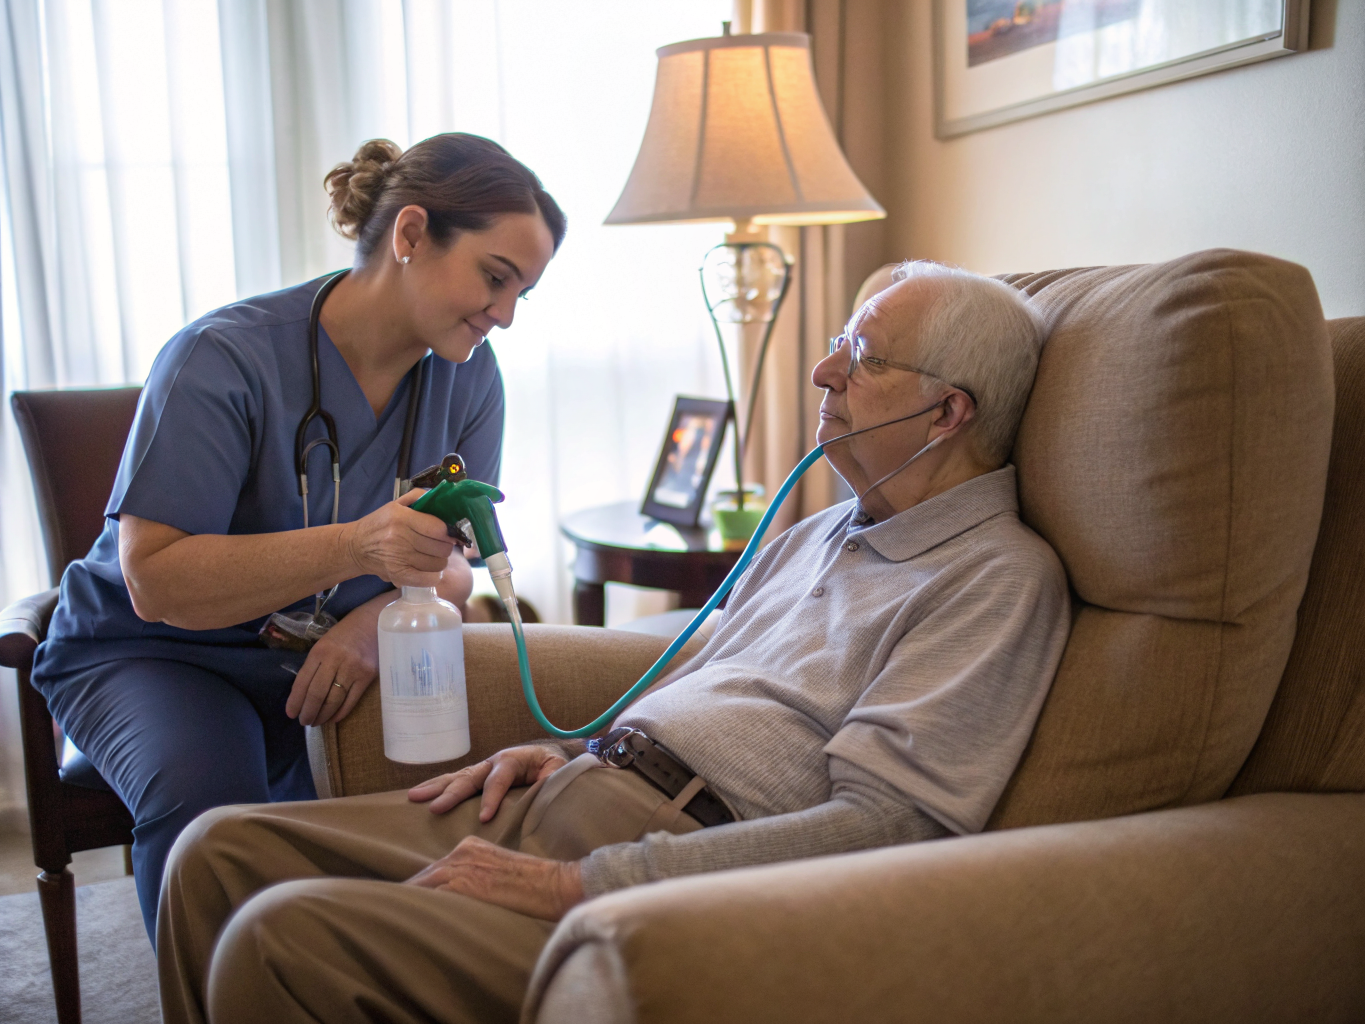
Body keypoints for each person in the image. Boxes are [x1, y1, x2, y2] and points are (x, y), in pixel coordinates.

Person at [157, 261, 1071, 1024]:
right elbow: (714, 681)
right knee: (217, 853)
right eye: (837, 343)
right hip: (585, 788)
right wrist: (564, 749)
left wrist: (581, 884)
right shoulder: (823, 531)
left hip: (668, 871)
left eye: (861, 356)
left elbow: (890, 827)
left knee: (281, 936)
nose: (823, 372)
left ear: (948, 414)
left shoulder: (993, 579)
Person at [30, 133, 567, 943]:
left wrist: (367, 630)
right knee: (213, 814)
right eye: (496, 279)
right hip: (150, 650)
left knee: (443, 792)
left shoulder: (470, 378)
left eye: (523, 292)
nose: (506, 315)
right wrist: (357, 548)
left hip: (322, 658)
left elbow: (451, 569)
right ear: (411, 234)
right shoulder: (224, 358)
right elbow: (156, 580)